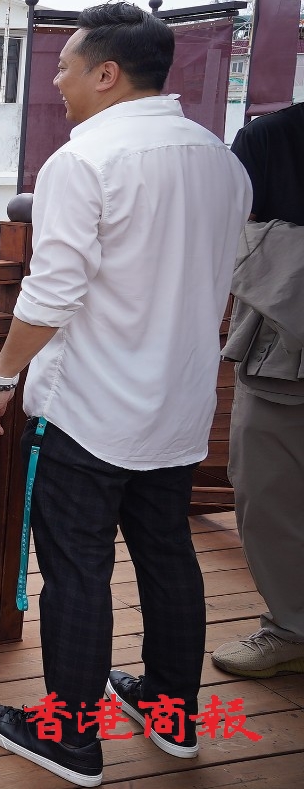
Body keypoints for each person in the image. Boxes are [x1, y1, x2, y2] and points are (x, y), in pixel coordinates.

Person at [0, 3, 250, 787]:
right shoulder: (220, 160)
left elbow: (51, 293)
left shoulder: (82, 161)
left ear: (106, 72)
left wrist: (1, 376)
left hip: (91, 407)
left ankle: (70, 736)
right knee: (167, 552)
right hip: (180, 402)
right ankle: (174, 712)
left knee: (77, 568)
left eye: (64, 66)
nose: (56, 81)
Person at [213, 100, 304, 678]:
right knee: (268, 491)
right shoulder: (269, 139)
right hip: (283, 350)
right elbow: (226, 236)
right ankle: (293, 627)